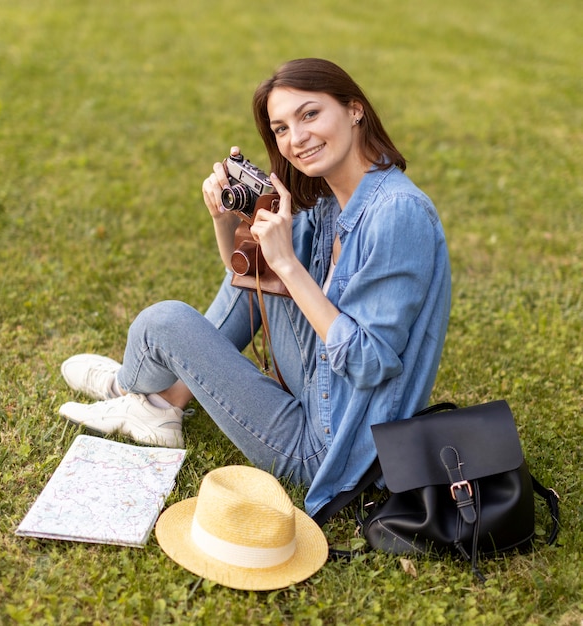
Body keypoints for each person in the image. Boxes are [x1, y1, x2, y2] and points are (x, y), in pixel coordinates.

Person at [59, 58, 451, 518]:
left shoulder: (397, 214)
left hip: (332, 449)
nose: (297, 139)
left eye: (309, 115)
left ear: (354, 110)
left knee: (162, 323)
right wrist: (226, 224)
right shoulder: (331, 201)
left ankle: (131, 390)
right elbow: (251, 283)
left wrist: (287, 263)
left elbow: (369, 362)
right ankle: (160, 403)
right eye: (281, 128)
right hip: (321, 392)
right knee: (262, 267)